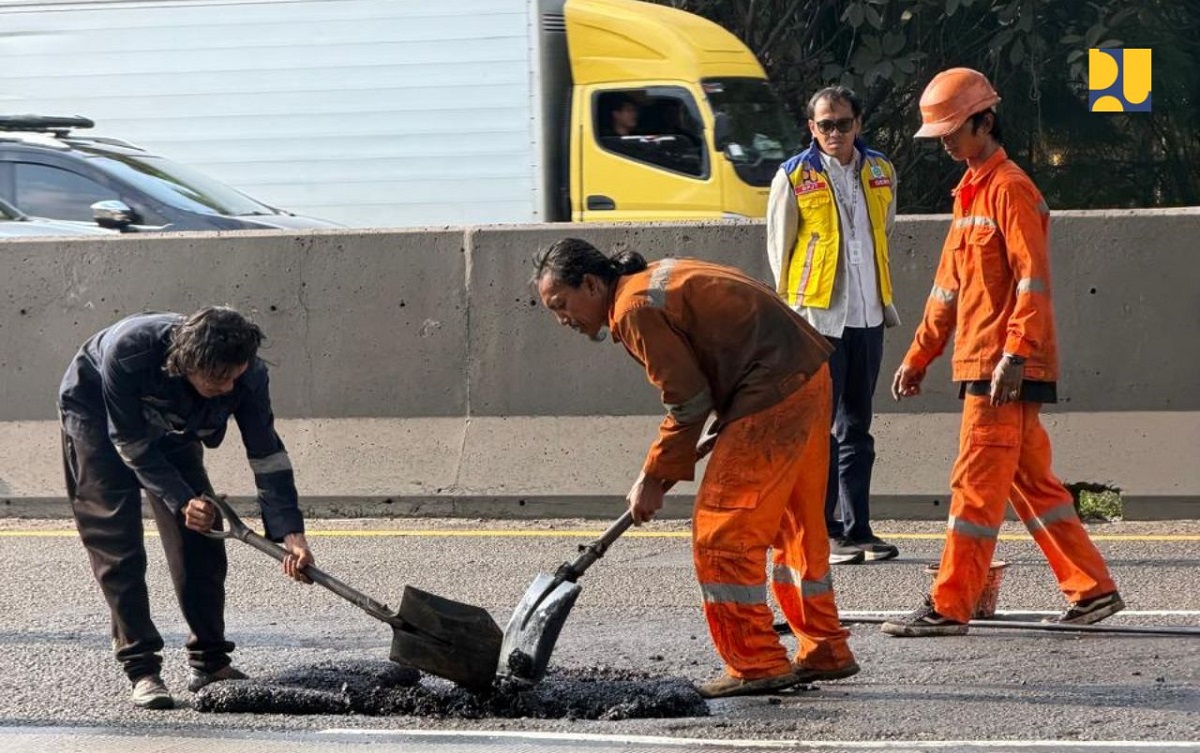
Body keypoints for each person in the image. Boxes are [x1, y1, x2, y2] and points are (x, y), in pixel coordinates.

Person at [534, 238, 858, 699]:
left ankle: (757, 663)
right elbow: (710, 372)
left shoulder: (633, 308)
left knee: (721, 533)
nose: (562, 319)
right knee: (795, 527)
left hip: (770, 391)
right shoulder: (653, 280)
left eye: (561, 305)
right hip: (805, 378)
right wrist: (726, 409)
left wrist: (652, 478)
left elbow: (687, 402)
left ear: (590, 283)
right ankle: (825, 649)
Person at [882, 68, 1123, 637]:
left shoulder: (1010, 189)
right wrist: (919, 357)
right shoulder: (969, 194)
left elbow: (1031, 281)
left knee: (974, 486)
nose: (943, 141)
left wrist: (1015, 354)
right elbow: (947, 291)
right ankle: (1093, 590)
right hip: (984, 363)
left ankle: (949, 606)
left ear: (984, 122)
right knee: (1034, 486)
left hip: (1003, 368)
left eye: (951, 129)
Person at [58, 307, 315, 708]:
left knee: (203, 539)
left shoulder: (245, 377)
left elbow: (267, 454)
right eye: (217, 379)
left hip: (172, 422)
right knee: (118, 544)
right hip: (98, 416)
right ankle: (142, 668)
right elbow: (131, 444)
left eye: (234, 376)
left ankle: (210, 663)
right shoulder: (130, 352)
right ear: (185, 364)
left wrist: (290, 532)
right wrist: (181, 500)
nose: (229, 388)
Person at [767, 85, 901, 566]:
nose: (835, 133)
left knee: (858, 426)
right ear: (811, 128)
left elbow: (880, 235)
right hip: (818, 318)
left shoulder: (881, 170)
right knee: (819, 429)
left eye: (843, 124)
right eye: (825, 125)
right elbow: (779, 250)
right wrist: (788, 319)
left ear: (858, 124)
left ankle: (857, 527)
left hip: (868, 314)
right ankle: (821, 529)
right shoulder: (793, 175)